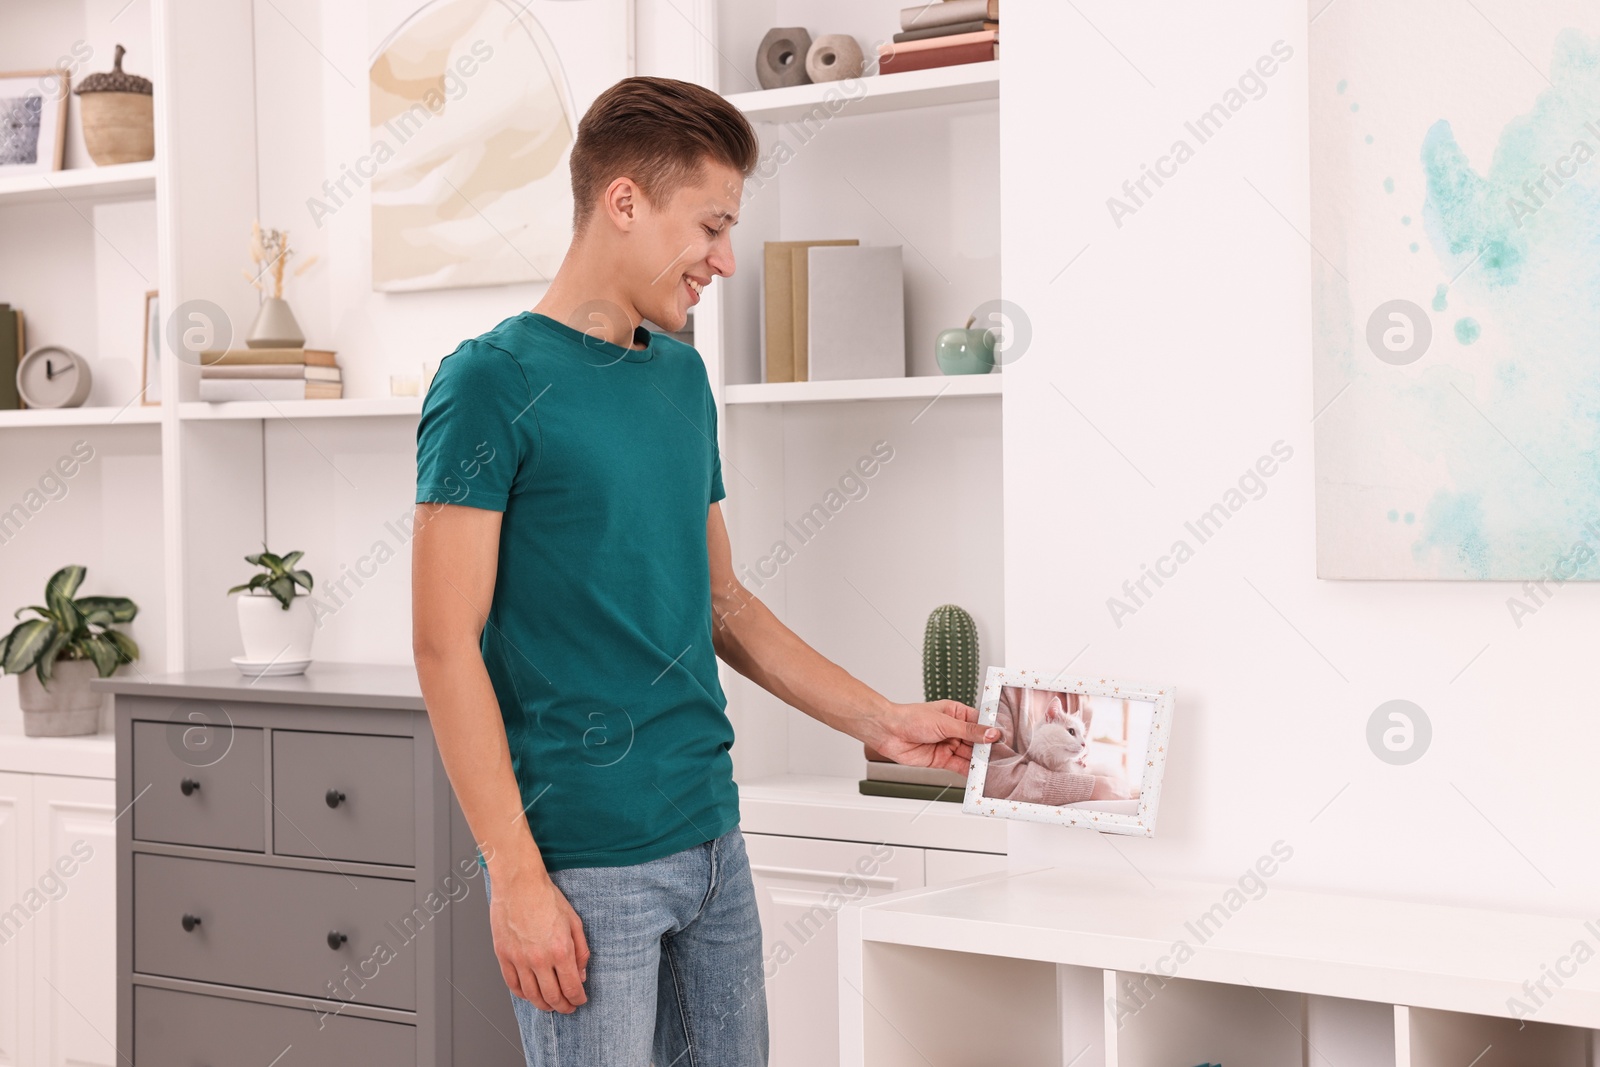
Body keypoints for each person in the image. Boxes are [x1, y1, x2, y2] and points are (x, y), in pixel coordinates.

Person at [410, 75, 1002, 1067]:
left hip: (710, 839)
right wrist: (515, 877)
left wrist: (881, 719)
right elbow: (442, 641)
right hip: (585, 859)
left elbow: (722, 601)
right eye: (712, 226)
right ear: (625, 201)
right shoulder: (489, 381)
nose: (725, 260)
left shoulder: (680, 375)